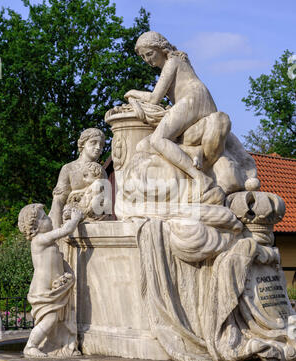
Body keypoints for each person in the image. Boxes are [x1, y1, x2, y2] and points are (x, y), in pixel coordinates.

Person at [124, 31, 224, 191]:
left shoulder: (171, 63)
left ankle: (200, 177)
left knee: (158, 140)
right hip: (199, 99)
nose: (147, 60)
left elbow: (154, 98)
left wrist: (132, 92)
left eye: (150, 54)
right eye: (143, 57)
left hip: (193, 99)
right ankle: (191, 151)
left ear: (161, 48)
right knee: (149, 144)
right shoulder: (178, 60)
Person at [18, 203, 83, 357]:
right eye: (44, 217)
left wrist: (67, 275)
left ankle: (53, 343)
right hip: (43, 290)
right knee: (51, 318)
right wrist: (76, 218)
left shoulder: (49, 244)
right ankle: (30, 346)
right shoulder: (39, 240)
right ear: (34, 227)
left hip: (53, 288)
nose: (48, 218)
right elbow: (65, 230)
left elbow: (59, 261)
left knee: (54, 318)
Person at [49, 128, 107, 229]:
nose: (98, 147)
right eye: (93, 143)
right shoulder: (69, 169)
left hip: (96, 221)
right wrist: (56, 231)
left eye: (101, 145)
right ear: (83, 144)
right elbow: (58, 201)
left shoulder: (101, 171)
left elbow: (105, 203)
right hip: (71, 220)